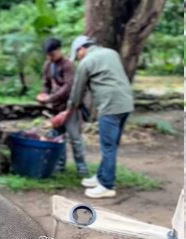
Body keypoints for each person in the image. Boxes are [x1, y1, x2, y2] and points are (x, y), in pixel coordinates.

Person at [53, 35, 134, 199]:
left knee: (108, 147)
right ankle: (101, 176)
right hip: (126, 103)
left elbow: (77, 93)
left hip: (110, 106)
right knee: (112, 145)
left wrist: (66, 113)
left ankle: (107, 185)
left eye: (77, 56)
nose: (77, 59)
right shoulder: (112, 53)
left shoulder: (86, 62)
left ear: (81, 49)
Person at [36, 37, 88, 177]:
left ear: (59, 50)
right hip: (56, 108)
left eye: (52, 54)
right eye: (48, 55)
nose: (50, 57)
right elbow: (46, 83)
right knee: (58, 137)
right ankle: (59, 166)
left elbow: (68, 87)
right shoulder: (48, 65)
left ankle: (82, 169)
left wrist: (50, 98)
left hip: (70, 108)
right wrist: (43, 94)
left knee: (75, 138)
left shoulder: (68, 65)